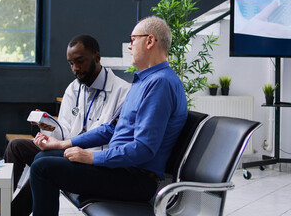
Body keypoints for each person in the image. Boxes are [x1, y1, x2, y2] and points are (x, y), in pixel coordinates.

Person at [29, 16, 188, 216]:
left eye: (133, 40)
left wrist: (91, 157)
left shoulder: (160, 84)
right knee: (43, 156)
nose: (129, 46)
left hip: (134, 179)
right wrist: (62, 144)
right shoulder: (144, 81)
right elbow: (111, 129)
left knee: (43, 168)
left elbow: (144, 149)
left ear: (149, 41)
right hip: (120, 170)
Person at [0, 34, 130, 216]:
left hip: (91, 161)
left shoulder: (122, 91)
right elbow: (64, 132)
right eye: (71, 63)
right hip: (67, 152)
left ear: (97, 57)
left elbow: (112, 138)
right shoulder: (73, 88)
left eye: (80, 61)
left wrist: (69, 147)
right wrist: (50, 128)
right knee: (16, 146)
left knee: (43, 167)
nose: (75, 69)